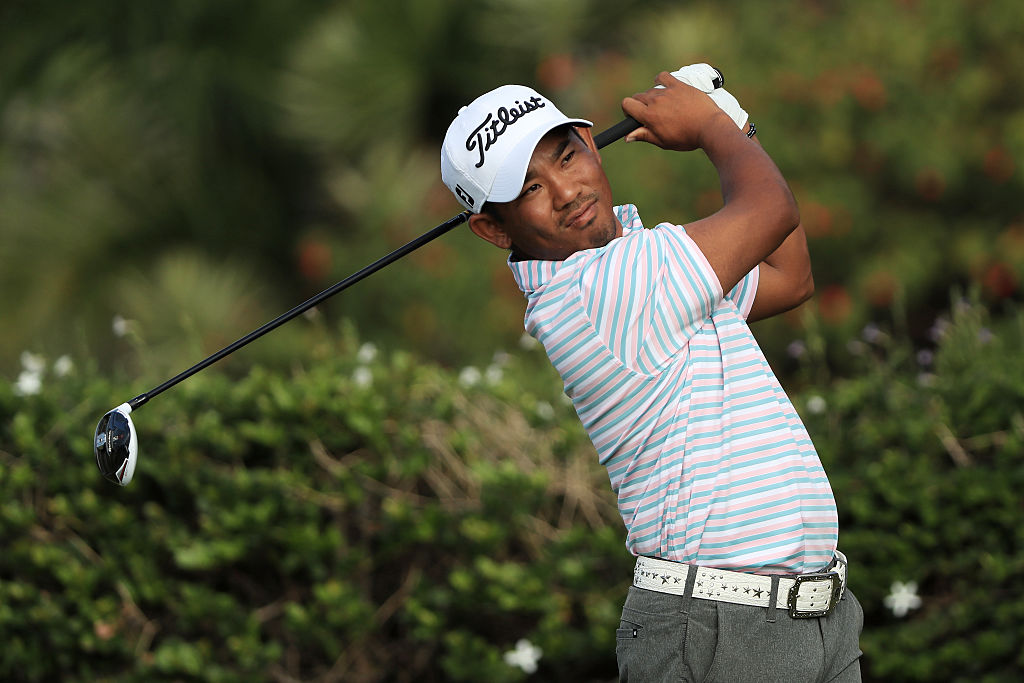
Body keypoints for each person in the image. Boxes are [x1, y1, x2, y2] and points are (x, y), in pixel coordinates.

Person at [440, 64, 863, 682]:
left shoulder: (649, 264)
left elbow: (790, 276)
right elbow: (771, 208)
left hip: (809, 617)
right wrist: (713, 126)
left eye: (565, 157)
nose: (565, 191)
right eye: (529, 189)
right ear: (491, 228)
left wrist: (736, 124)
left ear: (590, 142)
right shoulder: (601, 290)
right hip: (719, 630)